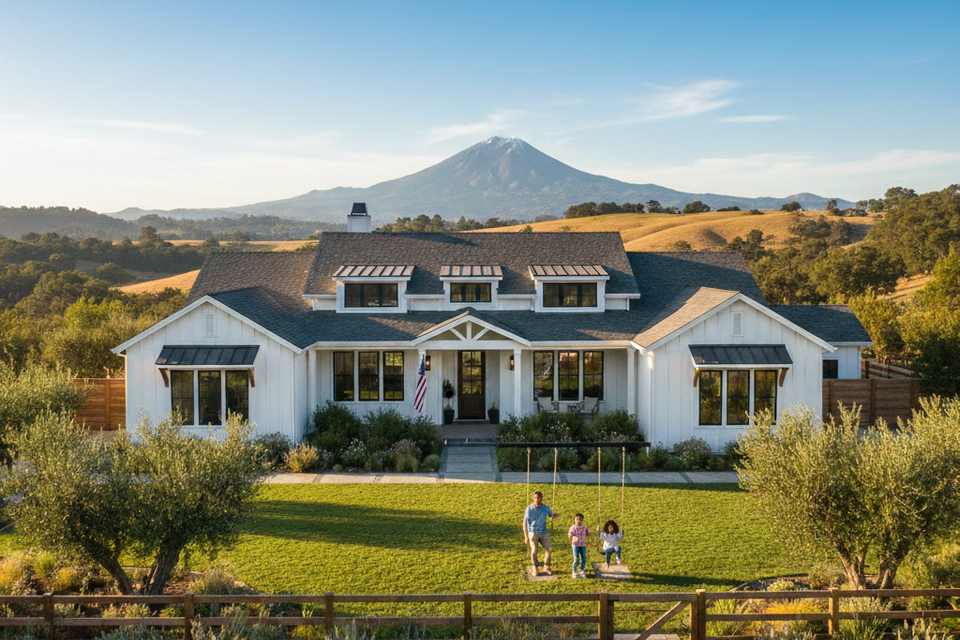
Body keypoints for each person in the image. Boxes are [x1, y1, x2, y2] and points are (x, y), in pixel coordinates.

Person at [523, 490, 560, 575]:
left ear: (542, 499)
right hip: (533, 532)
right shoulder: (529, 509)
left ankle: (546, 566)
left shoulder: (546, 508)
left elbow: (551, 515)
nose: (537, 500)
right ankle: (534, 567)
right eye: (536, 498)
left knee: (549, 549)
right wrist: (526, 537)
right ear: (533, 499)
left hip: (543, 531)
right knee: (534, 550)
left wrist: (555, 516)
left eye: (539, 498)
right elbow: (524, 523)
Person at [568, 513, 590, 578]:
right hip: (575, 545)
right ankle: (574, 571)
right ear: (574, 520)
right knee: (576, 559)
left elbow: (588, 534)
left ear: (582, 520)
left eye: (580, 519)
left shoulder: (584, 528)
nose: (578, 521)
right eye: (576, 519)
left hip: (583, 545)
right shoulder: (573, 528)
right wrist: (573, 541)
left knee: (584, 558)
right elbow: (570, 536)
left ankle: (581, 570)